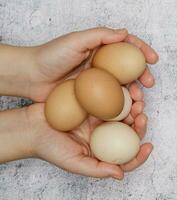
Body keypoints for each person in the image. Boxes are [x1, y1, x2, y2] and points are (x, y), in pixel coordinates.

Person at [0, 27, 159, 180]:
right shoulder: (87, 81)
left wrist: (31, 70)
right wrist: (30, 69)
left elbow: (100, 95)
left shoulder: (89, 83)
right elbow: (95, 93)